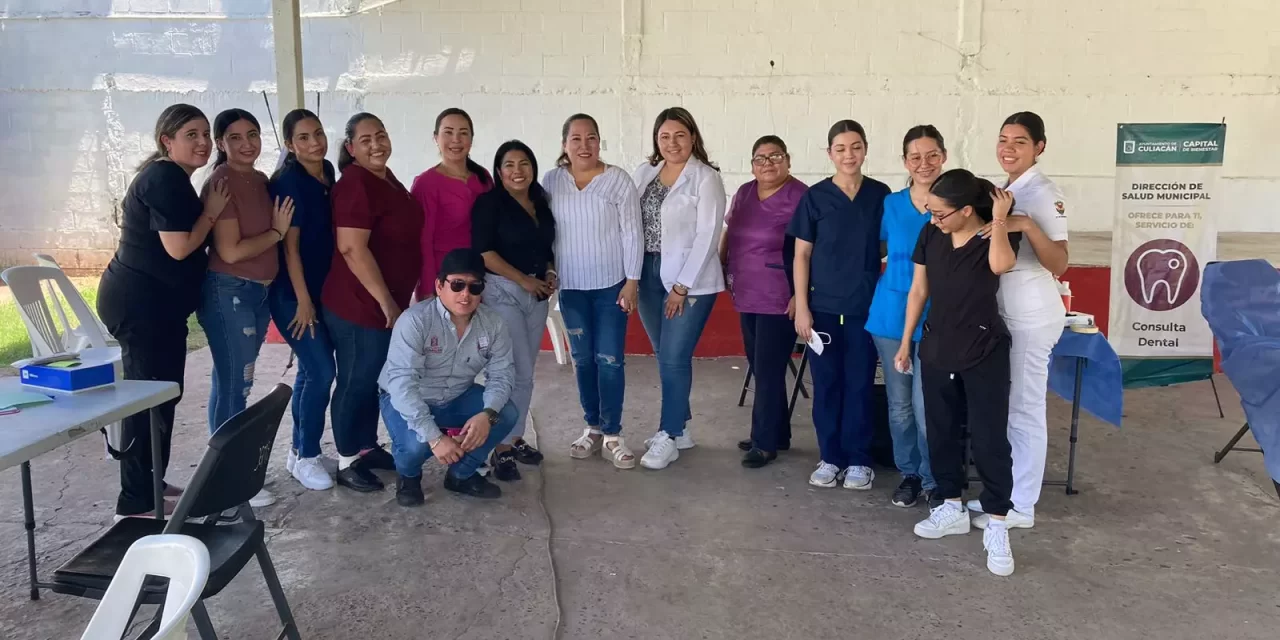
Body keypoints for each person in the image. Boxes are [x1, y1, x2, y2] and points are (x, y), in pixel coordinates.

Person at [98, 104, 228, 519]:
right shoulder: (164, 177)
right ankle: (134, 501)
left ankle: (151, 483)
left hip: (157, 308)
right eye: (192, 134)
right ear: (166, 141)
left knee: (163, 397)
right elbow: (179, 247)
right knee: (147, 400)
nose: (203, 142)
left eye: (206, 133)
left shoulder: (173, 177)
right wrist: (211, 214)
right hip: (141, 307)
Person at [896, 169, 1021, 576]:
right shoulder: (931, 234)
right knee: (941, 429)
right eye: (930, 212)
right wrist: (905, 342)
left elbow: (1001, 267)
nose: (934, 220)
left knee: (989, 437)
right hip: (937, 345)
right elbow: (919, 290)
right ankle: (950, 506)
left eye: (941, 214)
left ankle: (998, 522)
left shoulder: (993, 235)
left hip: (984, 348)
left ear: (968, 210)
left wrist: (1000, 221)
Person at [969, 111, 1069, 530]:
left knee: (1025, 409)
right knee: (1006, 408)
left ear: (1040, 147)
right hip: (1005, 312)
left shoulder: (1043, 193)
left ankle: (1022, 505)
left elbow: (1060, 263)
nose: (1008, 147)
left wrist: (1025, 224)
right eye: (1003, 139)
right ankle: (1005, 494)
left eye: (1020, 141)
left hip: (1031, 313)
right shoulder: (1005, 190)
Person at [196, 109, 294, 508]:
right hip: (229, 290)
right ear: (221, 143)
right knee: (237, 384)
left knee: (232, 381)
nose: (247, 143)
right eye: (235, 138)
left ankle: (217, 471)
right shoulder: (222, 182)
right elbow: (231, 251)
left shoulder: (258, 180)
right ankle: (229, 480)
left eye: (252, 134)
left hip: (256, 293)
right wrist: (276, 233)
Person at [321, 112, 423, 493]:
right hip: (358, 305)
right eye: (365, 140)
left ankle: (366, 447)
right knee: (355, 380)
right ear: (350, 148)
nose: (376, 144)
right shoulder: (355, 184)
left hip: (383, 305)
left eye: (380, 135)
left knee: (372, 379)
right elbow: (351, 247)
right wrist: (387, 302)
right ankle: (347, 459)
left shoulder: (385, 178)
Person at [789, 120, 892, 490]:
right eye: (840, 148)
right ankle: (830, 456)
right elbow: (801, 255)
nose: (849, 155)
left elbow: (886, 246)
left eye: (856, 147)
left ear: (865, 149)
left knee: (860, 384)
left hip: (865, 308)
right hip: (824, 309)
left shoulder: (881, 195)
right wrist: (802, 307)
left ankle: (859, 461)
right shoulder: (815, 197)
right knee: (828, 385)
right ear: (829, 152)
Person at [378, 249, 519, 507]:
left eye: (474, 287)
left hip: (457, 395)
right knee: (415, 446)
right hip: (408, 399)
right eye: (457, 285)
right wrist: (435, 437)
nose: (465, 294)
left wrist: (487, 414)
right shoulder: (415, 321)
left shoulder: (494, 323)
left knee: (506, 413)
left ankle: (461, 475)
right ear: (439, 286)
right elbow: (402, 384)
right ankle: (408, 477)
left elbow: (502, 374)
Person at [544, 113, 643, 470]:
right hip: (571, 289)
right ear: (564, 144)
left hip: (611, 287)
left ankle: (614, 433)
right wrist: (550, 269)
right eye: (576, 139)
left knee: (610, 359)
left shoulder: (617, 181)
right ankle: (593, 427)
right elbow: (547, 233)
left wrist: (632, 281)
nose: (584, 145)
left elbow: (633, 233)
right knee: (583, 360)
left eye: (591, 138)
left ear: (600, 142)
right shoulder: (552, 181)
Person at [631, 107, 726, 471]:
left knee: (673, 357)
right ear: (657, 140)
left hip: (691, 281)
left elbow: (708, 235)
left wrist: (682, 286)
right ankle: (681, 429)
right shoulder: (645, 173)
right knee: (664, 354)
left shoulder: (705, 178)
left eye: (680, 136)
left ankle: (668, 434)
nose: (672, 143)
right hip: (649, 272)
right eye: (665, 136)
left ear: (693, 138)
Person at [865, 125, 946, 507]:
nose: (924, 163)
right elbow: (876, 245)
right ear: (904, 162)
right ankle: (909, 474)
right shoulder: (892, 205)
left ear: (943, 157)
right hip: (890, 316)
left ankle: (934, 478)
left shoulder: (955, 204)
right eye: (915, 157)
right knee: (899, 406)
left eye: (931, 155)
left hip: (938, 316)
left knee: (928, 405)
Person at [471, 140, 556, 481]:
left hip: (536, 293)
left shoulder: (541, 202)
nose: (517, 171)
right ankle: (499, 448)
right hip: (504, 291)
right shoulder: (489, 204)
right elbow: (484, 253)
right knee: (508, 370)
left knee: (526, 371)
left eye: (524, 163)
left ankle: (514, 438)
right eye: (509, 165)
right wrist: (523, 280)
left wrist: (549, 273)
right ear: (498, 171)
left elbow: (547, 246)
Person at [721, 135, 806, 468]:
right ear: (752, 164)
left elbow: (808, 248)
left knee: (769, 369)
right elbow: (730, 232)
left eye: (776, 156)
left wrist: (801, 293)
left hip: (780, 295)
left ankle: (764, 442)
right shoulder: (744, 192)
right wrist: (721, 266)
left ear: (788, 161)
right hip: (745, 291)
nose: (768, 163)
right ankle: (778, 432)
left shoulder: (800, 195)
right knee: (759, 365)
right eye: (760, 158)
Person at [267, 108, 338, 491]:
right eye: (305, 138)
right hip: (293, 294)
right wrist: (304, 300)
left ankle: (300, 452)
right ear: (290, 145)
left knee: (311, 372)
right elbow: (290, 249)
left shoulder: (327, 173)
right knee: (322, 371)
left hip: (321, 291)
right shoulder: (289, 182)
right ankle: (307, 454)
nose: (315, 143)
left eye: (319, 133)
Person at [412, 108, 492, 300]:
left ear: (471, 140)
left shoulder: (483, 177)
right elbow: (423, 240)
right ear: (435, 138)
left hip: (483, 275)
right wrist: (427, 289)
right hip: (447, 278)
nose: (456, 139)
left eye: (463, 133)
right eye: (448, 132)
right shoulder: (426, 183)